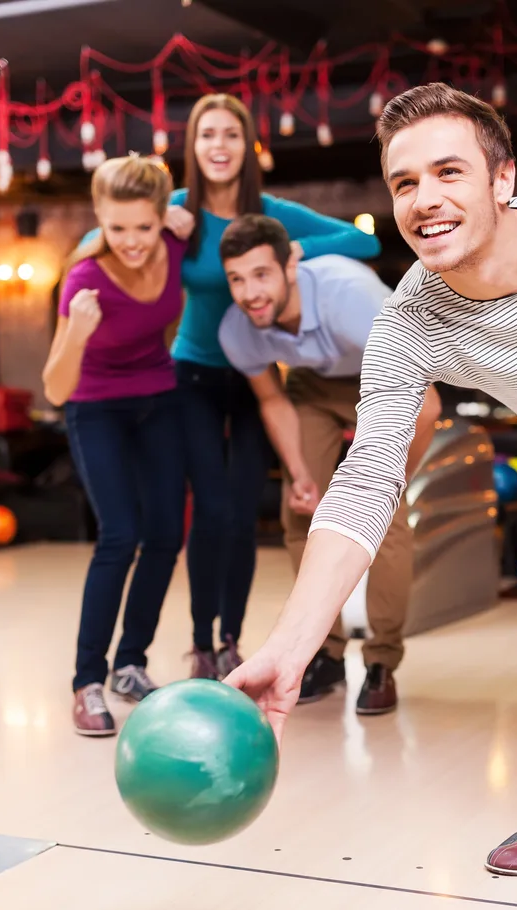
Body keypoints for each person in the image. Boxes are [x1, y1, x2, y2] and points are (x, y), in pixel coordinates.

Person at [226, 81, 517, 876]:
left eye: (448, 172)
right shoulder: (410, 323)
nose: (424, 199)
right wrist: (289, 647)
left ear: (501, 179)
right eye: (404, 183)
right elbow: (363, 482)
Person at [165, 94, 382, 681]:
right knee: (208, 512)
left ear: (247, 147)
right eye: (207, 135)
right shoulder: (176, 210)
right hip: (194, 373)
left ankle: (231, 640)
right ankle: (200, 642)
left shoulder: (271, 212)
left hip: (258, 372)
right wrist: (162, 219)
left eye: (231, 135)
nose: (218, 146)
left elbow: (364, 242)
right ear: (192, 146)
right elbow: (102, 242)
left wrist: (291, 250)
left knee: (240, 513)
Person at [217, 214, 441, 711]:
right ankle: (326, 654)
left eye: (261, 274)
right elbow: (274, 402)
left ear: (290, 264)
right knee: (302, 510)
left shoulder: (349, 295)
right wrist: (299, 472)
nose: (250, 292)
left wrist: (393, 482)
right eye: (237, 279)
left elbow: (426, 403)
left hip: (384, 374)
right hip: (312, 384)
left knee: (387, 520)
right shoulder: (238, 330)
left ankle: (381, 660)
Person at [43, 156, 187, 736]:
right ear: (98, 218)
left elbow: (198, 216)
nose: (130, 241)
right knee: (120, 534)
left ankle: (130, 664)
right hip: (94, 405)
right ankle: (87, 682)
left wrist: (183, 216)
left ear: (162, 219)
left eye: (143, 227)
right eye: (116, 228)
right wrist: (77, 328)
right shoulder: (83, 280)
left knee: (165, 535)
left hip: (158, 398)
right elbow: (55, 387)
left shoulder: (177, 240)